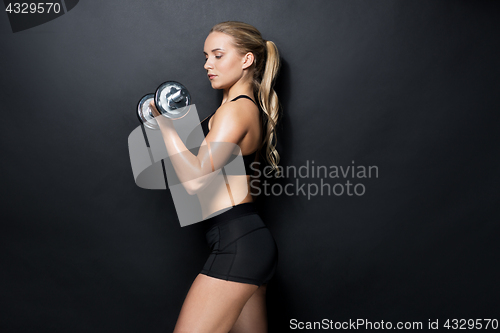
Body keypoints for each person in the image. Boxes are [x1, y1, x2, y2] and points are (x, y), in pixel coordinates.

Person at [151, 21, 282, 332]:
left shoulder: (235, 111)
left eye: (218, 55)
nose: (207, 64)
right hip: (247, 241)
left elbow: (196, 181)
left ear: (247, 60)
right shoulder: (241, 109)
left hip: (237, 244)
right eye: (206, 56)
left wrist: (165, 127)